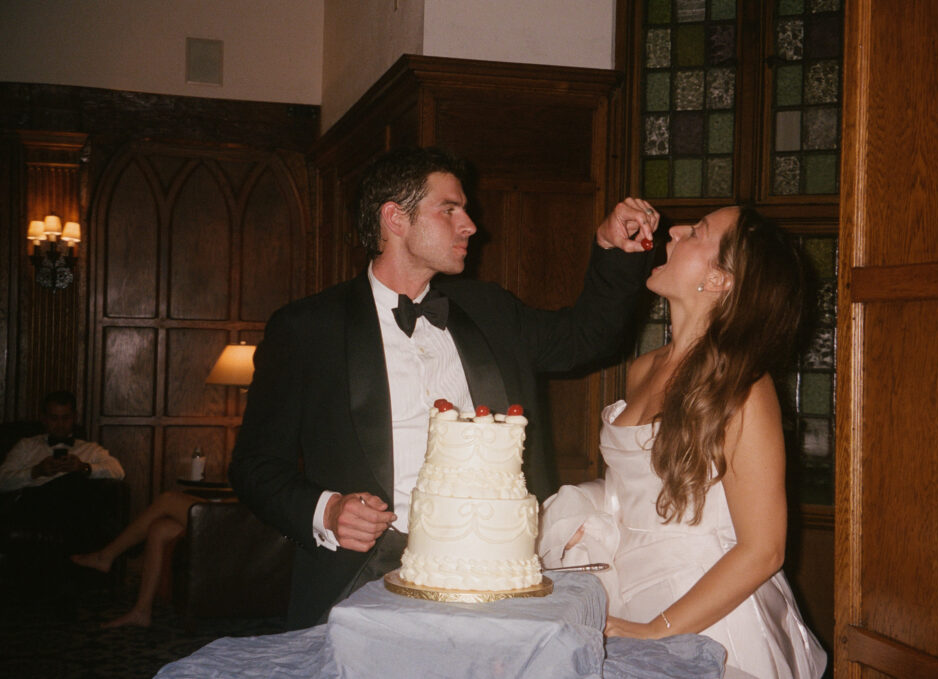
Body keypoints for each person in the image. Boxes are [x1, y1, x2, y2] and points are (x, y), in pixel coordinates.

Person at [229, 146, 658, 629]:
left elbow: (587, 339)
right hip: (361, 577)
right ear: (395, 219)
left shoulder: (489, 309)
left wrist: (613, 251)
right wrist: (327, 511)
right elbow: (255, 466)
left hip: (497, 576)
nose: (470, 225)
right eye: (449, 209)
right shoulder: (308, 328)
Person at [538, 206, 827, 679]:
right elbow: (644, 488)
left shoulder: (745, 388)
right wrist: (590, 509)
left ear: (719, 279)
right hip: (625, 586)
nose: (674, 230)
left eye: (697, 232)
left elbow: (764, 549)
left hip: (707, 614)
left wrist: (657, 630)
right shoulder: (643, 368)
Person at [72, 490, 203, 628]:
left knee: (168, 499)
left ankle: (105, 556)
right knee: (159, 529)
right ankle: (141, 611)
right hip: (226, 518)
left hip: (227, 527)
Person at [0, 390, 124, 493]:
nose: (60, 424)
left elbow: (118, 472)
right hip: (36, 506)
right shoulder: (26, 446)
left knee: (76, 483)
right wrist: (36, 471)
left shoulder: (91, 449)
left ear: (74, 418)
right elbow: (2, 479)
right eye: (54, 418)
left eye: (66, 418)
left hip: (75, 508)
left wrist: (83, 467)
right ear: (44, 419)